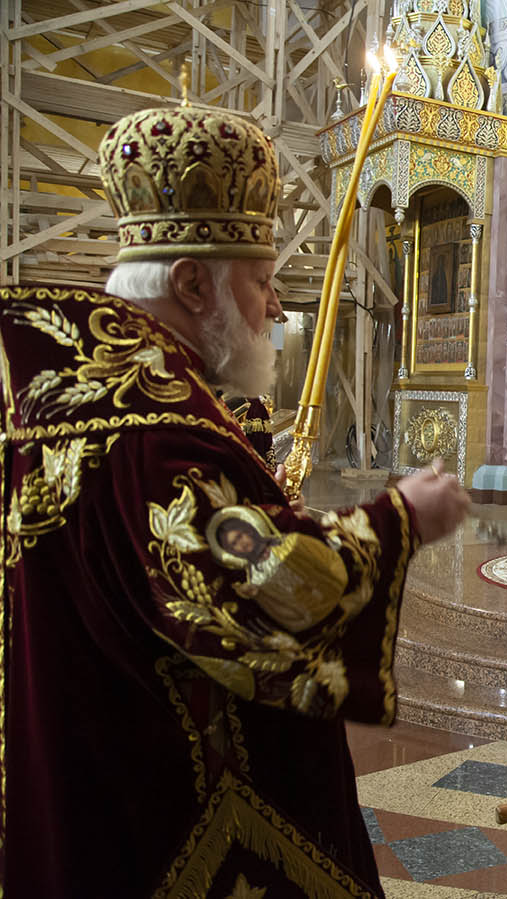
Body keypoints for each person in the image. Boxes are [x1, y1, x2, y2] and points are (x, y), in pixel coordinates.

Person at [0, 102, 471, 896]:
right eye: (259, 281)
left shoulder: (55, 395)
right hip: (159, 813)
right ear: (191, 282)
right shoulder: (156, 431)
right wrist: (401, 516)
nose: (275, 307)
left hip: (68, 772)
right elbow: (264, 591)